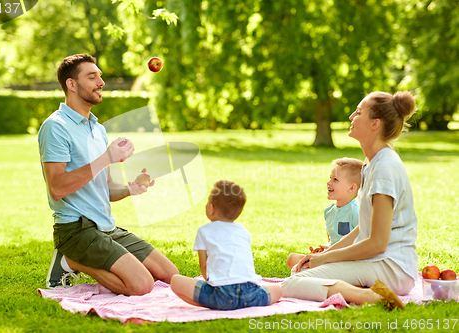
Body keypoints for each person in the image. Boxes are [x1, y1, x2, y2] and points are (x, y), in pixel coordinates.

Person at [38, 54, 178, 294]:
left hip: (105, 227)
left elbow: (107, 187)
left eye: (100, 76)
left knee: (170, 275)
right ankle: (69, 260)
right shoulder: (56, 126)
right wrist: (106, 158)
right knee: (141, 285)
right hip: (75, 230)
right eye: (92, 77)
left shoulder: (98, 128)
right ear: (71, 84)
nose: (101, 82)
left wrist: (130, 189)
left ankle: (79, 257)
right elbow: (57, 188)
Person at [281, 91, 419, 310]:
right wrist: (326, 254)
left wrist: (327, 259)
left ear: (375, 124)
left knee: (294, 282)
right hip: (380, 263)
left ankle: (374, 297)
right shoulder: (371, 163)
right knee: (303, 271)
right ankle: (366, 291)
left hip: (391, 268)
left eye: (358, 112)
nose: (351, 117)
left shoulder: (383, 168)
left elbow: (377, 243)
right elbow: (362, 229)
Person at [171, 180, 282, 310]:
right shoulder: (243, 231)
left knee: (175, 281)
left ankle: (215, 304)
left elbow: (203, 265)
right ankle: (236, 303)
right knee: (278, 289)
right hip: (251, 295)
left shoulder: (204, 231)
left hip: (221, 295)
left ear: (211, 208)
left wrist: (212, 286)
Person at [286, 157, 363, 269]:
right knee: (292, 259)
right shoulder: (329, 211)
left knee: (304, 268)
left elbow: (360, 245)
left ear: (351, 187)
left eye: (335, 180)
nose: (328, 183)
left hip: (346, 260)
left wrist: (330, 254)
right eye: (330, 178)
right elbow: (332, 240)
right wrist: (323, 250)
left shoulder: (355, 211)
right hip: (328, 257)